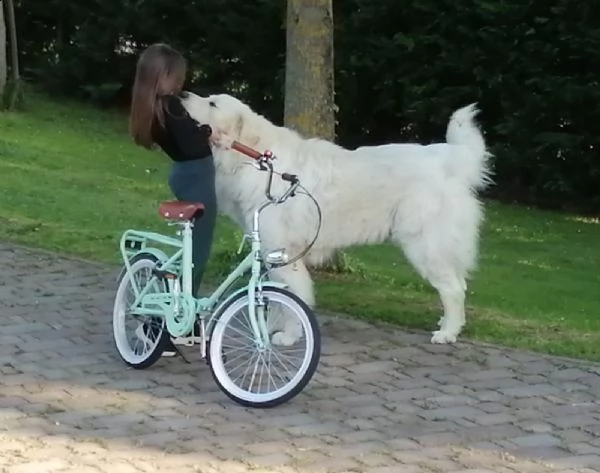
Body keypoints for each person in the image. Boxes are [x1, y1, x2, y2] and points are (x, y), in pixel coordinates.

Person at [129, 43, 216, 355]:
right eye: (175, 77)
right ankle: (165, 324)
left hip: (186, 174)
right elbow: (192, 143)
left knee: (191, 252)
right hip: (196, 177)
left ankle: (182, 319)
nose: (179, 84)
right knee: (197, 254)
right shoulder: (170, 106)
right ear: (161, 75)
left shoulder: (153, 105)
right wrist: (205, 130)